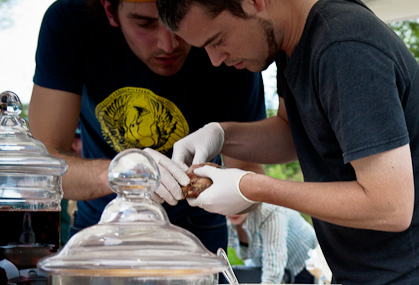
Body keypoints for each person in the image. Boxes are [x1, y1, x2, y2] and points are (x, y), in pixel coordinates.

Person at [156, 0, 419, 285]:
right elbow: (292, 132)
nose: (215, 60)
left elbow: (390, 206)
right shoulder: (293, 47)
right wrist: (221, 134)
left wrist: (251, 186)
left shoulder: (343, 47)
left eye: (216, 40)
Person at [27, 0, 267, 254]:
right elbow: (42, 167)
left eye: (178, 22)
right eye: (145, 23)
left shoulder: (223, 38)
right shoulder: (70, 22)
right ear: (110, 10)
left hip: (194, 238)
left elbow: (250, 171)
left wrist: (238, 198)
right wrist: (121, 173)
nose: (168, 44)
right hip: (101, 232)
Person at [226, 204, 318, 284]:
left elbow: (273, 273)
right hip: (262, 262)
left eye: (238, 203)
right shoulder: (219, 215)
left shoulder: (271, 211)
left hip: (302, 262)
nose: (234, 210)